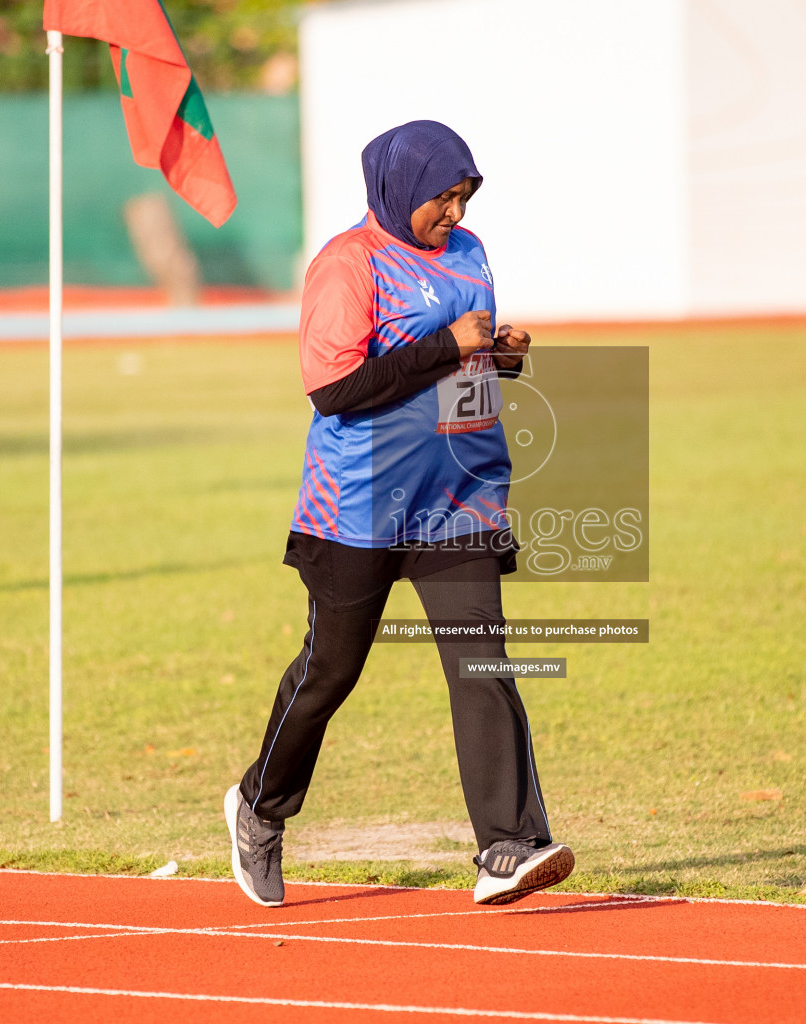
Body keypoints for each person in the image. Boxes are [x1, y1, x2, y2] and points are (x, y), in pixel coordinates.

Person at [224, 120, 574, 909]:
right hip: (358, 506)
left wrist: (495, 357)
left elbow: (461, 370)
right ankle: (259, 806)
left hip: (458, 499)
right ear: (397, 188)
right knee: (330, 673)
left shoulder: (471, 252)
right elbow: (334, 391)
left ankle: (507, 845)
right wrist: (447, 349)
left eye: (463, 195)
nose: (453, 212)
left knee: (483, 664)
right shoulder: (348, 265)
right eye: (440, 198)